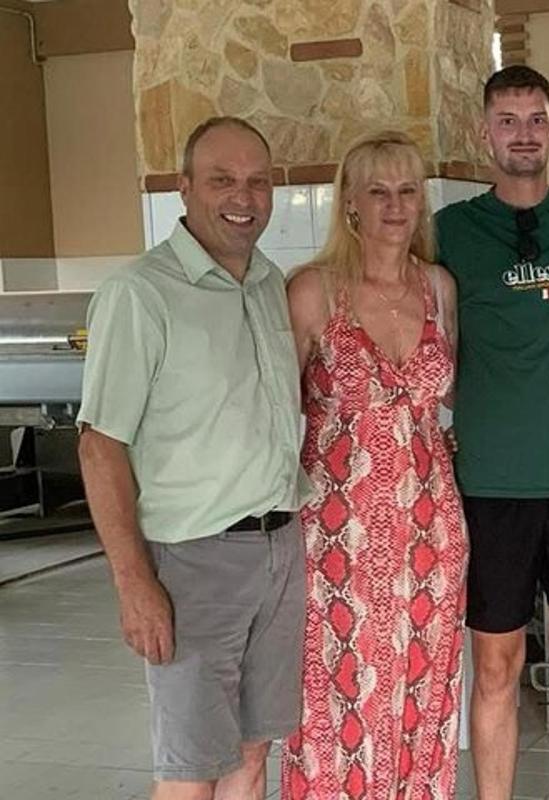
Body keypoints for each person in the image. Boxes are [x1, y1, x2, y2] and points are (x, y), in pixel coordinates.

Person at [77, 116, 306, 800]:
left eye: (258, 181)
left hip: (280, 550)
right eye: (222, 180)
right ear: (183, 188)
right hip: (192, 563)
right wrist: (133, 584)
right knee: (189, 771)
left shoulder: (270, 284)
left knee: (251, 752)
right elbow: (99, 445)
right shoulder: (140, 294)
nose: (244, 196)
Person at [433, 65, 549, 800]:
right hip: (491, 482)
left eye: (535, 118)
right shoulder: (449, 232)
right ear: (486, 132)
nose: (522, 134)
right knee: (498, 667)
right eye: (507, 121)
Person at [281, 130, 467, 800]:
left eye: (407, 190)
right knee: (338, 696)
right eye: (378, 191)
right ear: (350, 204)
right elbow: (278, 412)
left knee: (423, 689)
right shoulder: (312, 291)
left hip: (430, 530)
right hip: (338, 531)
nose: (395, 205)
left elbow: (446, 402)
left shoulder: (440, 289)